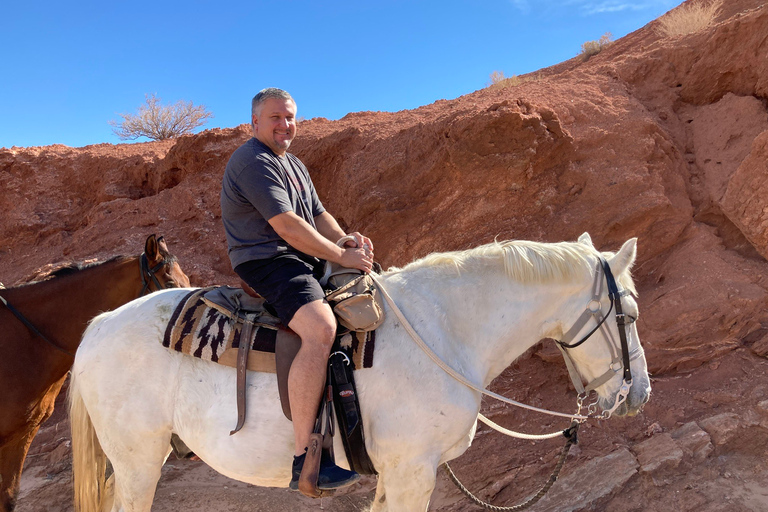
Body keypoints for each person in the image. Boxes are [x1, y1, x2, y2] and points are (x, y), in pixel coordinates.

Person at [220, 87, 373, 491]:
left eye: (289, 117)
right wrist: (341, 258)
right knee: (320, 327)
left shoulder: (294, 163)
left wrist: (345, 243)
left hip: (300, 257)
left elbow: (318, 215)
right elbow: (287, 225)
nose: (284, 124)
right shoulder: (252, 161)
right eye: (275, 117)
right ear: (253, 121)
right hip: (266, 260)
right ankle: (306, 458)